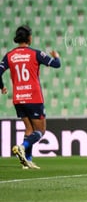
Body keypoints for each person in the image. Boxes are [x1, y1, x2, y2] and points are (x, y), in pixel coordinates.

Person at [0, 25, 61, 169]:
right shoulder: (35, 53)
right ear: (29, 38)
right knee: (40, 131)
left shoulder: (9, 55)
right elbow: (57, 65)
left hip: (18, 98)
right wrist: (56, 56)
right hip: (33, 97)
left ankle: (27, 161)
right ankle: (22, 147)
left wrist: (2, 86)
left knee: (29, 129)